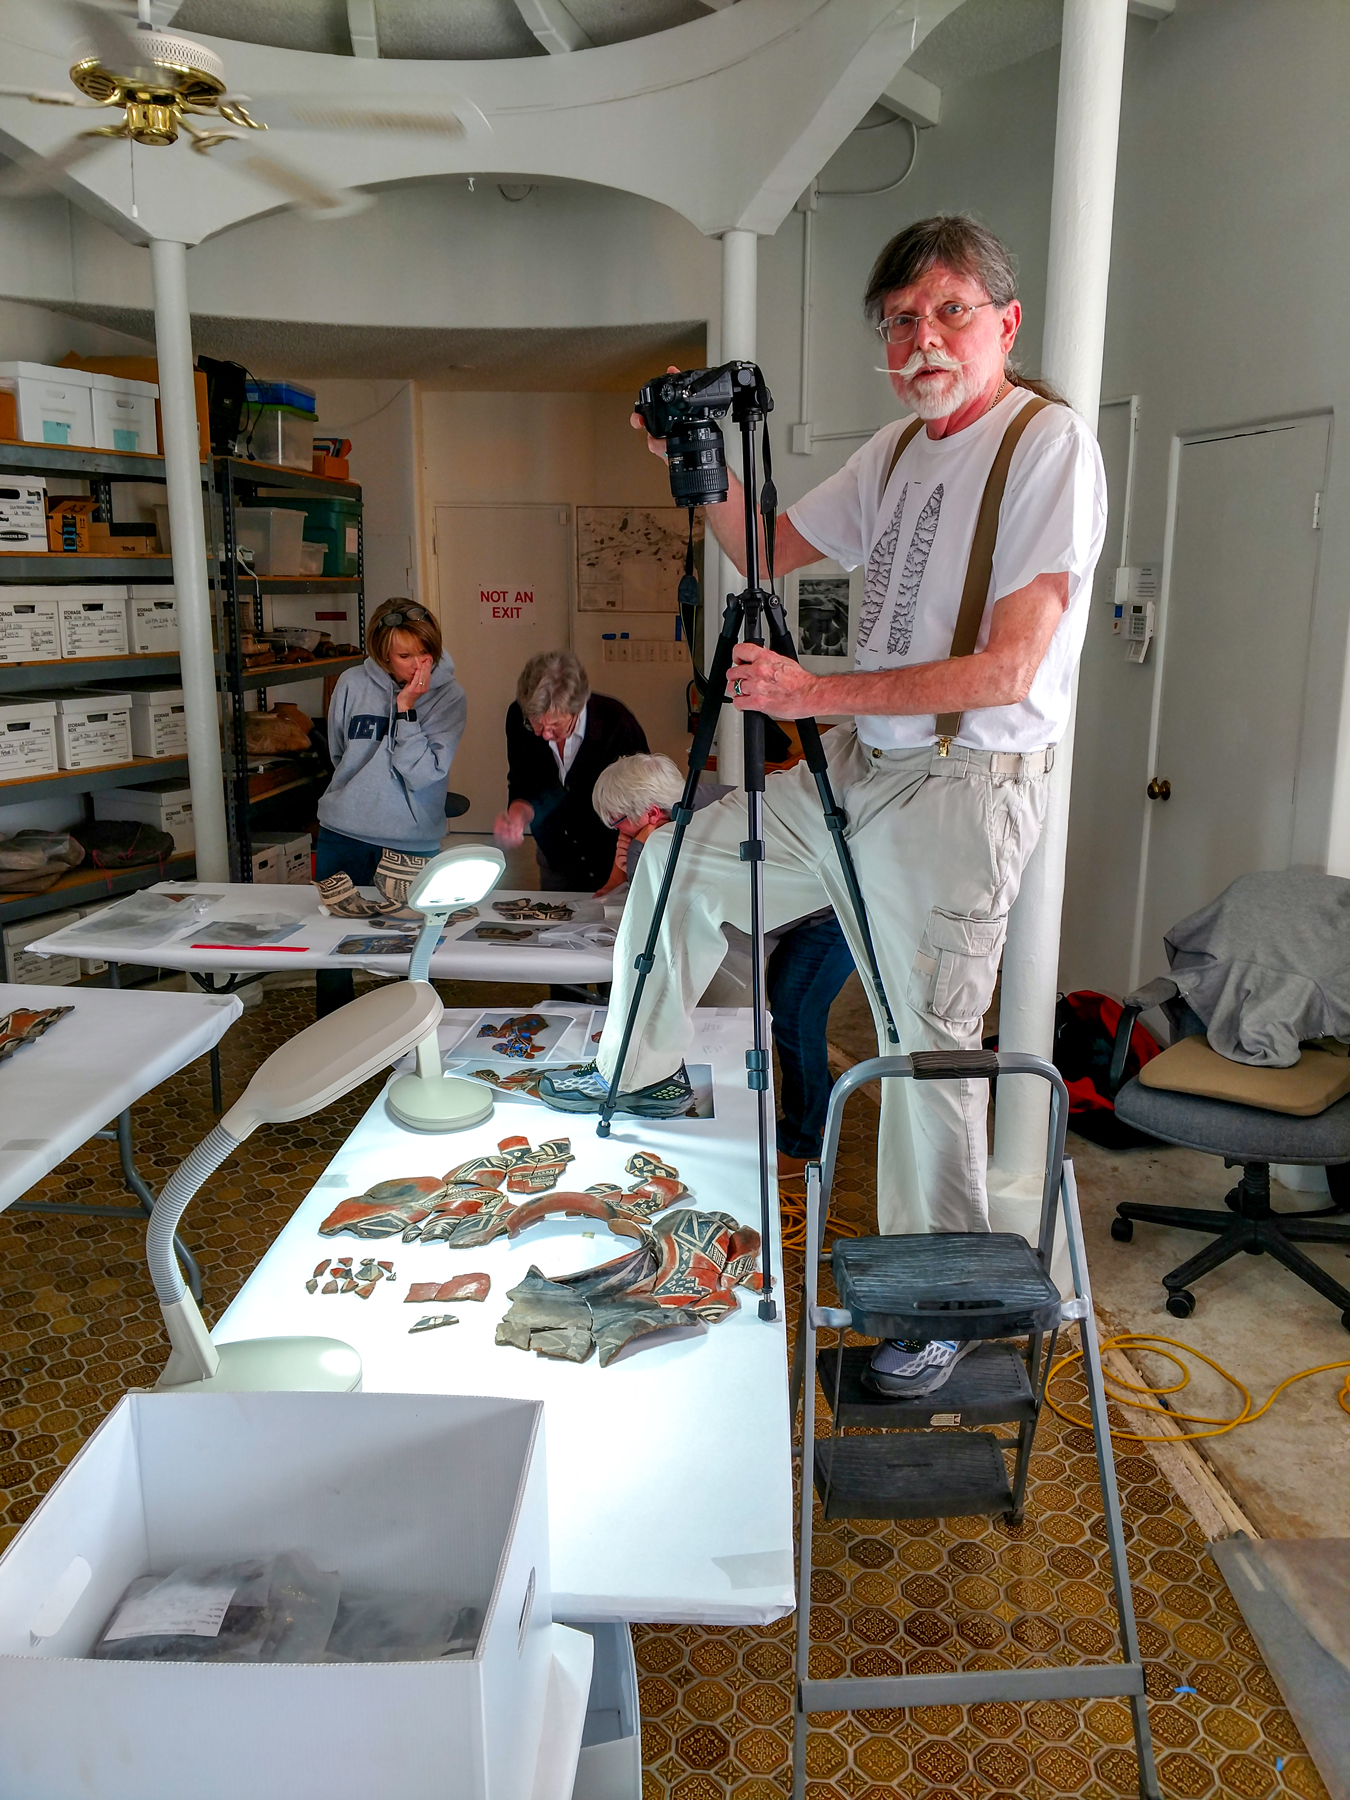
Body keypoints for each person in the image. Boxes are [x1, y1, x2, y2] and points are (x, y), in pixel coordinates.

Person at [538, 214, 1107, 1399]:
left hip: (958, 789)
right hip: (861, 763)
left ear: (1003, 322)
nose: (923, 338)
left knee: (924, 1052)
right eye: (902, 320)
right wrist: (691, 466)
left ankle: (940, 1307)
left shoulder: (1044, 449)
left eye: (949, 311)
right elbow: (769, 545)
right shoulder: (901, 451)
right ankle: (634, 1070)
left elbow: (1009, 669)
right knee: (682, 858)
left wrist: (811, 689)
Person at [591, 753, 855, 1176]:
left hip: (830, 915)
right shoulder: (701, 798)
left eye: (615, 822)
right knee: (792, 1015)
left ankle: (805, 1144)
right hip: (810, 909)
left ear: (653, 813)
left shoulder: (701, 829)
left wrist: (644, 852)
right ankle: (818, 1115)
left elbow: (667, 916)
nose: (615, 833)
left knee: (795, 1017)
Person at [314, 597, 467, 1017]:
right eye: (404, 656)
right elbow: (340, 752)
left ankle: (414, 1045)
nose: (419, 666)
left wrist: (406, 710)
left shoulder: (448, 696)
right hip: (343, 833)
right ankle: (331, 1049)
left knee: (417, 953)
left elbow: (423, 772)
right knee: (330, 951)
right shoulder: (350, 683)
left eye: (426, 653)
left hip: (412, 840)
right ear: (381, 652)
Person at [493, 650, 647, 893]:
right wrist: (517, 817)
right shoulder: (517, 717)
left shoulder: (616, 723)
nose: (544, 734)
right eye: (536, 723)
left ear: (578, 709)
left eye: (555, 725)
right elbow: (523, 782)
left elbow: (639, 807)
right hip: (555, 855)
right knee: (555, 926)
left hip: (611, 859)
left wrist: (618, 877)